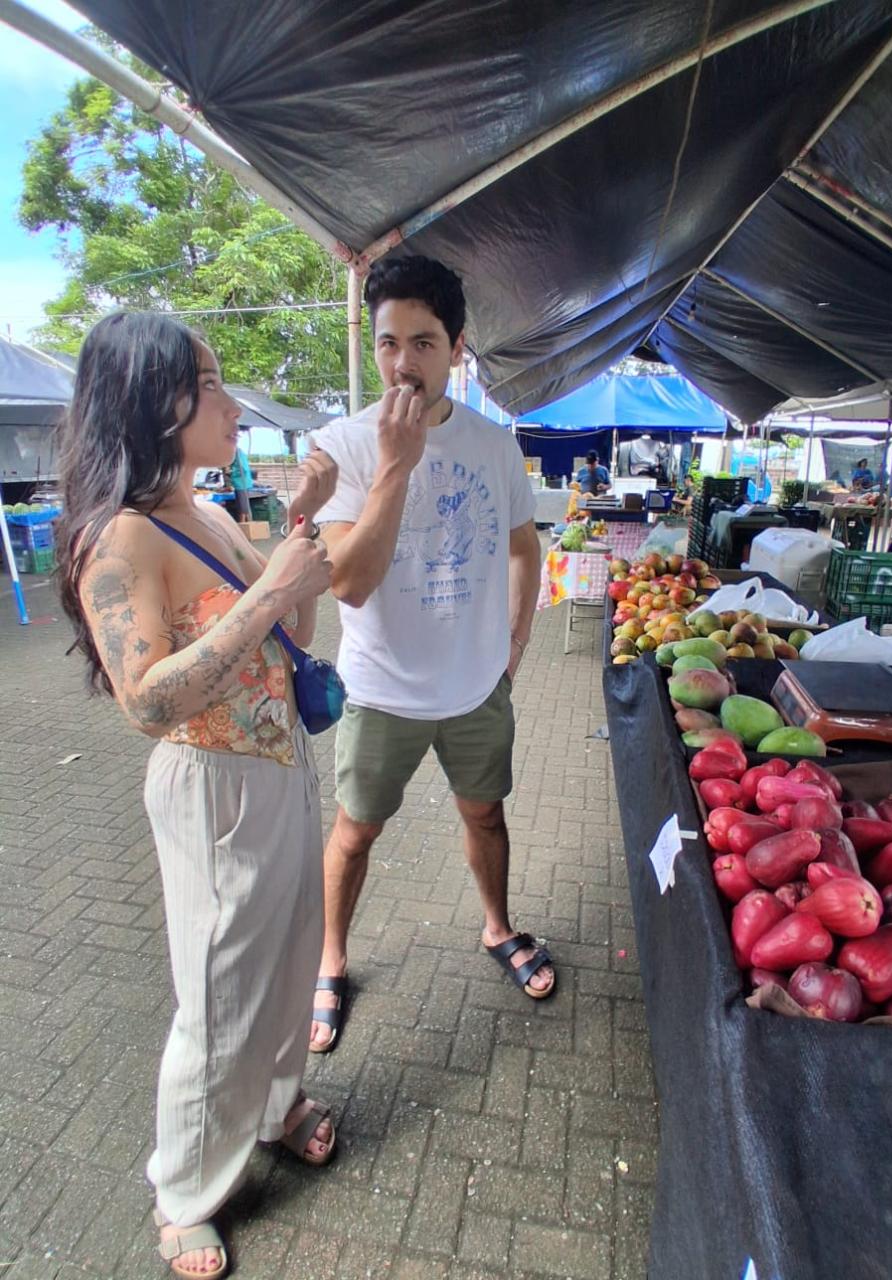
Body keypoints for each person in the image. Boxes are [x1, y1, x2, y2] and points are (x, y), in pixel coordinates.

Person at [56, 312, 338, 1278]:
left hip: (281, 765)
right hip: (213, 786)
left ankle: (275, 1105)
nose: (230, 401)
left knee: (294, 955)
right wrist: (272, 594)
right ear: (151, 401)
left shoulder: (211, 511)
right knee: (218, 996)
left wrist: (300, 526)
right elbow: (144, 699)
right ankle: (184, 1190)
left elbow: (291, 619)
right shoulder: (120, 537)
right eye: (208, 383)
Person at [286, 255, 553, 1055]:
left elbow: (523, 549)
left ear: (457, 349)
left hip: (477, 688)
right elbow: (353, 585)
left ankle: (497, 927)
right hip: (380, 690)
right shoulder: (339, 447)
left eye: (424, 343)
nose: (403, 362)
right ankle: (331, 962)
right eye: (388, 342)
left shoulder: (495, 445)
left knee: (486, 814)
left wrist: (515, 642)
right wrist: (396, 464)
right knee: (355, 833)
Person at [229, 442, 254, 522]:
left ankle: (243, 527)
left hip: (241, 483)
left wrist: (231, 472)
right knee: (245, 507)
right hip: (244, 483)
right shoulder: (240, 452)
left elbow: (242, 469)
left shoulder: (236, 453)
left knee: (242, 508)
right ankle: (249, 525)